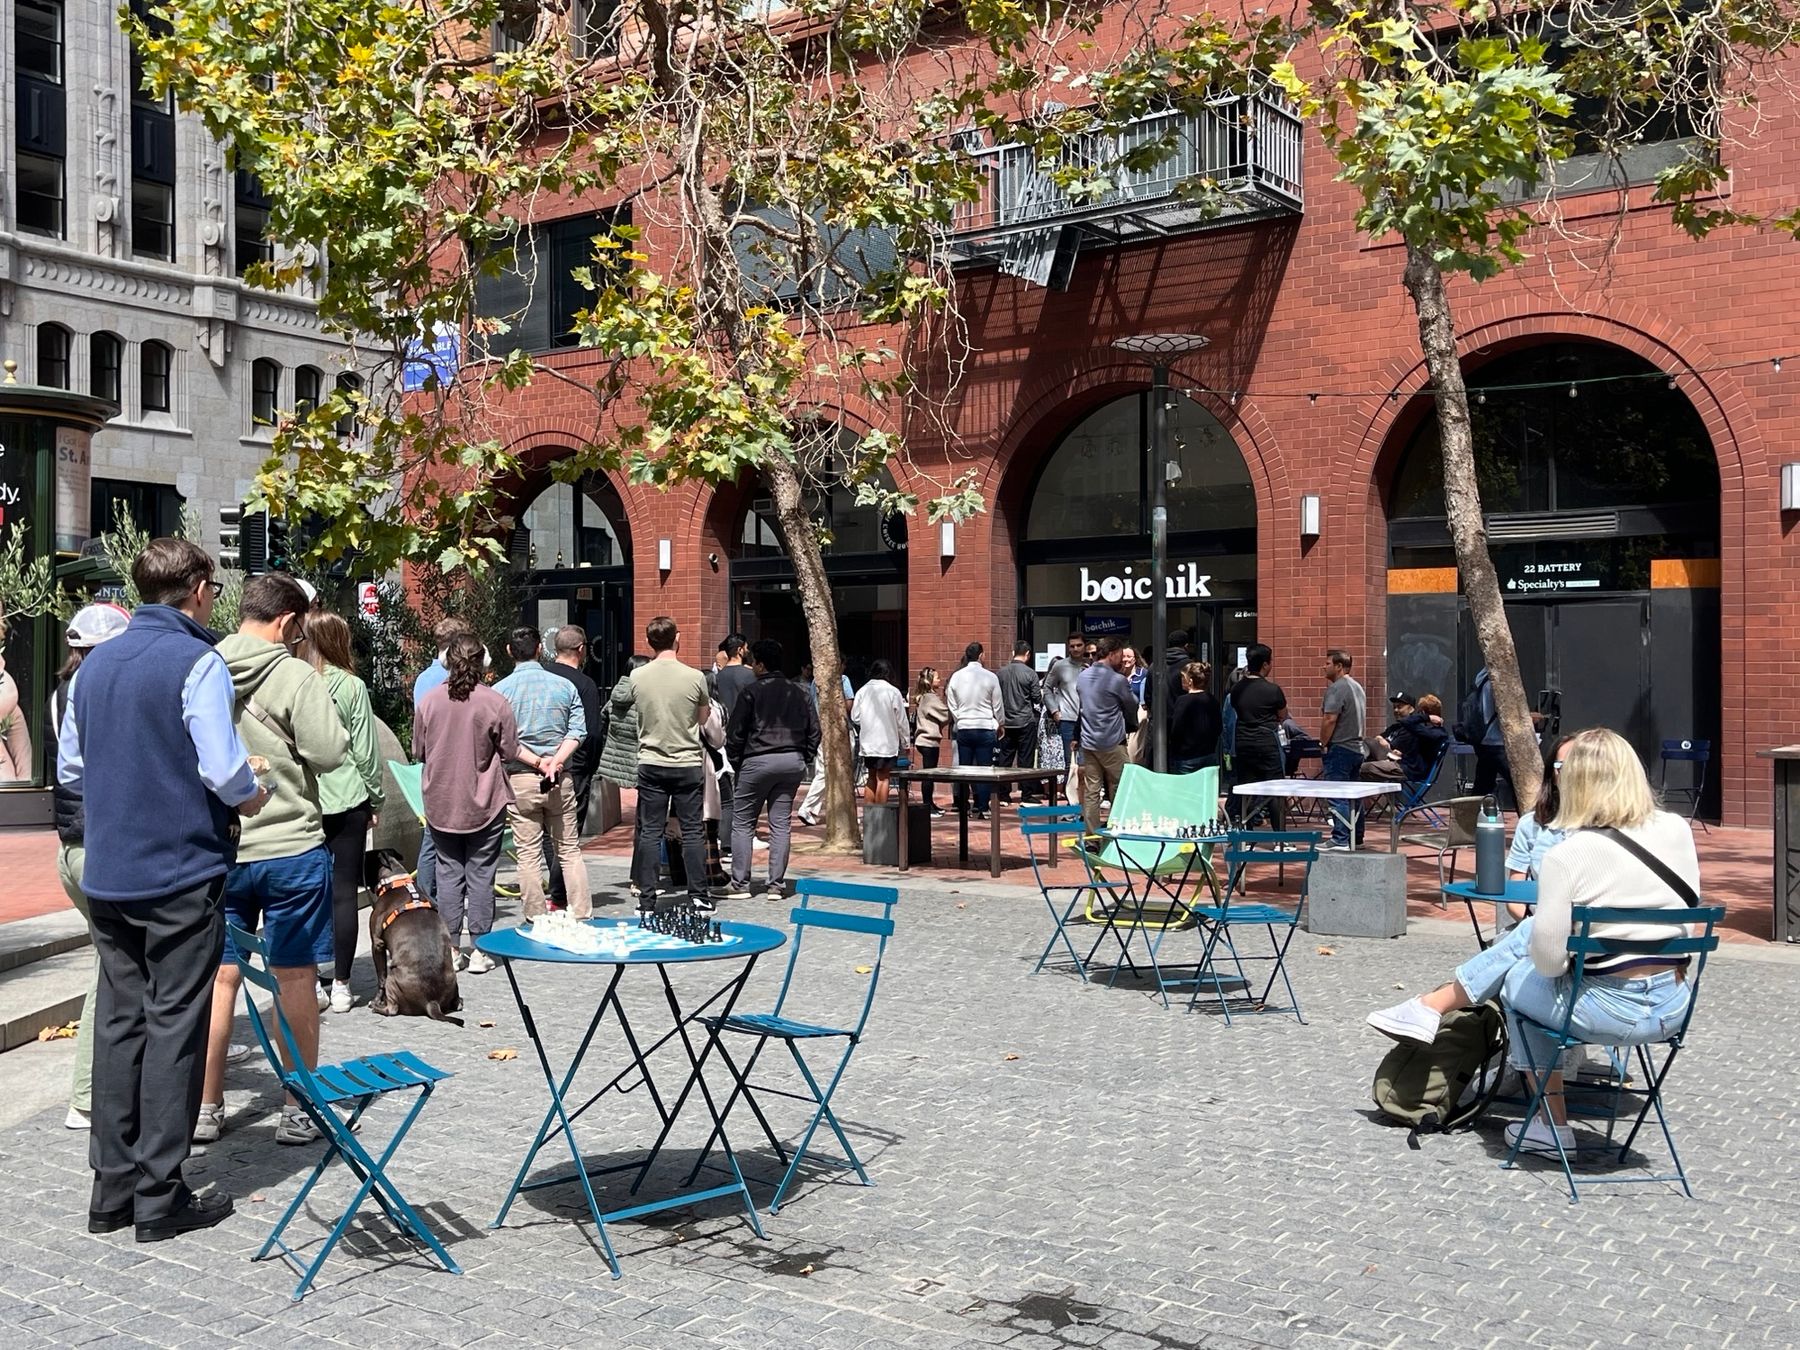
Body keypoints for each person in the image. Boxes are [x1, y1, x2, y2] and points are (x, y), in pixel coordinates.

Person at [59, 538, 269, 1241]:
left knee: (121, 1023)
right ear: (201, 588)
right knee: (174, 1024)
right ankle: (158, 1194)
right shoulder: (197, 659)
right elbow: (222, 767)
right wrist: (253, 795)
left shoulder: (95, 665)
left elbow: (72, 767)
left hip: (112, 869)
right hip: (180, 866)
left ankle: (110, 1192)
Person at [1365, 728, 1699, 1155]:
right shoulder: (1676, 830)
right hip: (1673, 1006)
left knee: (1517, 981)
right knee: (1527, 943)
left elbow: (1547, 964)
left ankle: (1549, 1122)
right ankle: (1430, 1007)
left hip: (1608, 1013)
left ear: (1574, 782)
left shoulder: (1568, 853)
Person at [201, 573, 350, 1147]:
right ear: (288, 622)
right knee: (294, 976)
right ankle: (298, 1105)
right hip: (290, 846)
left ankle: (206, 1105)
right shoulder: (294, 675)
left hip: (223, 848)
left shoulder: (206, 665)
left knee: (219, 979)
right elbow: (330, 753)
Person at [47, 602, 131, 1131]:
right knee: (113, 969)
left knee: (111, 962)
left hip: (71, 845)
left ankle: (96, 1092)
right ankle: (88, 1096)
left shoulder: (63, 692)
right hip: (97, 845)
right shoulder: (98, 693)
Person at [415, 634, 541, 968]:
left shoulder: (429, 701)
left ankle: (452, 947)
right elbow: (510, 749)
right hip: (485, 799)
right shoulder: (494, 701)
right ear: (483, 662)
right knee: (482, 874)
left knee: (448, 872)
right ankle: (482, 948)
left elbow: (419, 750)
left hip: (441, 799)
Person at [300, 610, 386, 1016]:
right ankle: (342, 984)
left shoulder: (296, 684)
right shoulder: (352, 686)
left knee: (307, 892)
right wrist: (376, 799)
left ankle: (312, 980)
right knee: (344, 893)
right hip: (348, 798)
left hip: (306, 800)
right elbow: (367, 753)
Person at [493, 626, 590, 920]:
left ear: (510, 651)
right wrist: (555, 761)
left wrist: (537, 762)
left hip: (520, 778)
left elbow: (502, 742)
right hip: (560, 777)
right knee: (570, 850)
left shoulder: (499, 692)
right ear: (540, 650)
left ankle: (535, 916)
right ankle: (582, 913)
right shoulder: (564, 686)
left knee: (528, 853)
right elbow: (578, 730)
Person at [630, 616, 716, 914]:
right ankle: (699, 896)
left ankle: (647, 899)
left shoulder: (637, 677)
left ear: (648, 642)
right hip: (687, 761)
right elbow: (704, 719)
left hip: (650, 761)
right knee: (693, 831)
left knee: (650, 832)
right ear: (677, 638)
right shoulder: (695, 677)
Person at [722, 638, 819, 900]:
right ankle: (776, 884)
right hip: (791, 760)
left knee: (743, 823)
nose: (751, 666)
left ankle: (740, 883)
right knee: (780, 824)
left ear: (761, 665)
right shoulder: (799, 692)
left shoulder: (751, 692)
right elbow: (814, 730)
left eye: (753, 661)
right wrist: (804, 756)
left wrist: (737, 761)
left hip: (757, 760)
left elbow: (735, 733)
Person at [410, 616, 473, 902]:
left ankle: (427, 894)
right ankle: (432, 894)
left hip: (433, 766)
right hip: (458, 766)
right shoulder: (449, 680)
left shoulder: (423, 679)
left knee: (433, 833)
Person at [543, 625, 604, 910]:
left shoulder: (540, 676)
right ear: (581, 650)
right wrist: (590, 766)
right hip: (574, 765)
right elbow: (591, 733)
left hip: (536, 761)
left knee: (543, 828)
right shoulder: (584, 684)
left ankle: (554, 887)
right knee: (567, 831)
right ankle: (558, 893)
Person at [1075, 636, 1140, 832]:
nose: (1122, 660)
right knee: (1124, 785)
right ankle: (1117, 827)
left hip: (1089, 741)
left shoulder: (1083, 676)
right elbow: (1132, 703)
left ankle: (1092, 834)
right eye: (1120, 655)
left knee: (1092, 791)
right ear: (1111, 654)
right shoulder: (1117, 679)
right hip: (1111, 741)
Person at [1227, 645, 1286, 827]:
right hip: (1267, 742)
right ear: (1265, 665)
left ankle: (1246, 832)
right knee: (1275, 789)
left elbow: (1236, 710)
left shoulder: (1236, 689)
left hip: (1243, 741)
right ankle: (1280, 839)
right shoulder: (1273, 690)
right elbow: (1282, 715)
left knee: (1246, 788)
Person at [945, 641, 1004, 817]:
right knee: (985, 770)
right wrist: (1000, 723)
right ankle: (983, 807)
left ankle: (964, 806)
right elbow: (998, 705)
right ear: (981, 655)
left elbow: (951, 702)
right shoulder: (990, 677)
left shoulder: (956, 677)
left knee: (965, 770)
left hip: (964, 727)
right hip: (985, 726)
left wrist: (959, 719)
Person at [1318, 649, 1367, 849]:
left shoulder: (1338, 688)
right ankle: (1357, 838)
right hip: (1357, 748)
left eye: (1328, 663)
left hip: (1340, 748)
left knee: (1337, 794)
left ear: (1339, 666)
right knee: (1354, 796)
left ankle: (1340, 838)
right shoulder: (1357, 687)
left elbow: (1330, 719)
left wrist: (1323, 743)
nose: (1324, 666)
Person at [851, 658, 910, 805]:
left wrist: (867, 722)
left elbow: (855, 716)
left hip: (868, 743)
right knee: (883, 778)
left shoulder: (862, 691)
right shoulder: (893, 692)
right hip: (887, 742)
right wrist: (906, 742)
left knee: (870, 777)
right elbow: (901, 720)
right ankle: (881, 817)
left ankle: (869, 816)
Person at [1360, 692, 1449, 786]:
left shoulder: (1432, 732)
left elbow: (1406, 721)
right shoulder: (1430, 731)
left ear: (1422, 713)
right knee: (1368, 743)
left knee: (1364, 768)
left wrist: (1426, 718)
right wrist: (1402, 754)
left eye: (1419, 713)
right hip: (1404, 763)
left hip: (1409, 770)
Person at [995, 640, 1044, 801]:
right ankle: (1027, 794)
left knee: (1005, 758)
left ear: (1013, 652)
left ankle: (1002, 793)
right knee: (1026, 759)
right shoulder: (1030, 673)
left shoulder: (1001, 673)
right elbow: (1037, 698)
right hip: (1025, 720)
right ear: (1028, 654)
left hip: (1006, 722)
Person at [1042, 634, 1086, 785]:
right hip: (1067, 719)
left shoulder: (1090, 665)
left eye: (1079, 645)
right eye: (1072, 646)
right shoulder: (1060, 665)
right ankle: (1071, 796)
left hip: (1088, 719)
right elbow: (1047, 688)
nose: (1075, 649)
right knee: (1070, 760)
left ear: (1084, 646)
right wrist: (1054, 710)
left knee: (1087, 761)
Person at [1168, 660, 1222, 773]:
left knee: (1186, 789)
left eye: (1183, 677)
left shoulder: (1183, 701)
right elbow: (1218, 727)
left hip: (1187, 756)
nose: (1181, 680)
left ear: (1190, 681)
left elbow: (1176, 729)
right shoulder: (1212, 700)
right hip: (1208, 753)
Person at [911, 666, 951, 816]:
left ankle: (930, 803)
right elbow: (945, 714)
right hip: (928, 740)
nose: (939, 680)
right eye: (937, 677)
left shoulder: (924, 697)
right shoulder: (930, 698)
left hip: (925, 740)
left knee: (930, 774)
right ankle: (927, 805)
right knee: (929, 775)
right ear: (929, 681)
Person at [713, 633, 754, 721]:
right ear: (740, 650)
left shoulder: (716, 677)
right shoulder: (750, 675)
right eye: (746, 648)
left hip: (723, 726)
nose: (748, 651)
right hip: (743, 727)